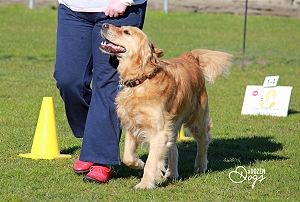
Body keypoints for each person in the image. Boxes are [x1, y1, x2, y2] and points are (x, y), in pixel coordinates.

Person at [53, 0, 147, 183]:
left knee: (108, 85)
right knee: (68, 80)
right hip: (73, 9)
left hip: (119, 11)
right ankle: (93, 139)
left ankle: (100, 156)